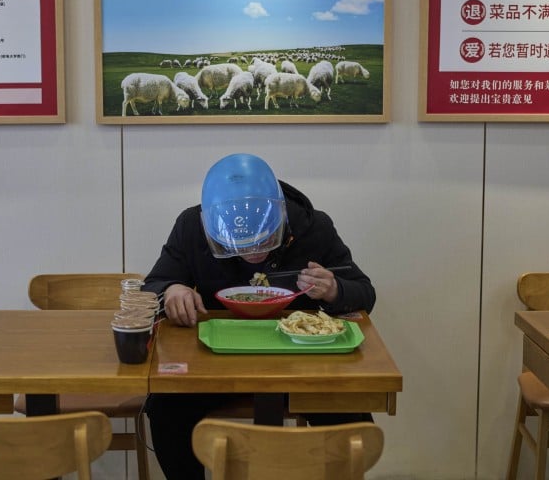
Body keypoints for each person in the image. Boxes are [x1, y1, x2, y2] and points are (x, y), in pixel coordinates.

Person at [142, 153, 375, 480]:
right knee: (166, 410)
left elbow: (365, 292)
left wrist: (336, 289)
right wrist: (172, 291)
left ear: (279, 216)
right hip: (217, 364)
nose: (254, 253)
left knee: (353, 418)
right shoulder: (191, 226)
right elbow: (151, 286)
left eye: (265, 240)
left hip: (300, 363)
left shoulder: (313, 227)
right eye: (239, 245)